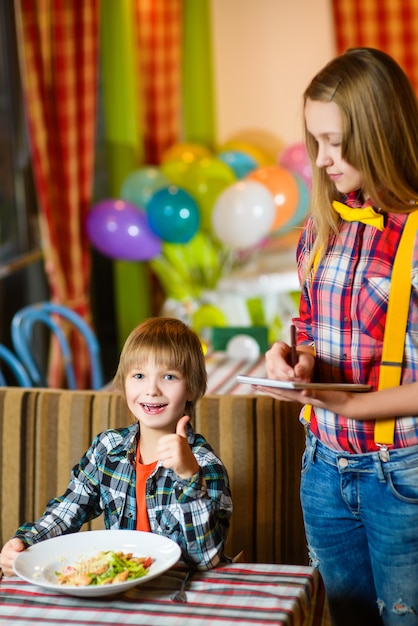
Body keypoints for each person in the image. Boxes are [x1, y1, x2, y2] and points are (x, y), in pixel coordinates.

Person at [254, 48, 418, 626]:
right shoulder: (320, 226)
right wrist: (291, 357)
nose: (320, 159)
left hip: (401, 473)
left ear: (380, 131)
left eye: (335, 141)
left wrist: (356, 403)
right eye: (314, 139)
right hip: (322, 469)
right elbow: (310, 326)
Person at [0, 317, 233, 576]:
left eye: (169, 376)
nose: (152, 390)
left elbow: (206, 559)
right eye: (139, 376)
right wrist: (26, 543)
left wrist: (189, 476)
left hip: (179, 591)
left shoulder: (204, 463)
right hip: (119, 587)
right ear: (122, 384)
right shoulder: (107, 448)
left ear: (192, 387)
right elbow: (69, 510)